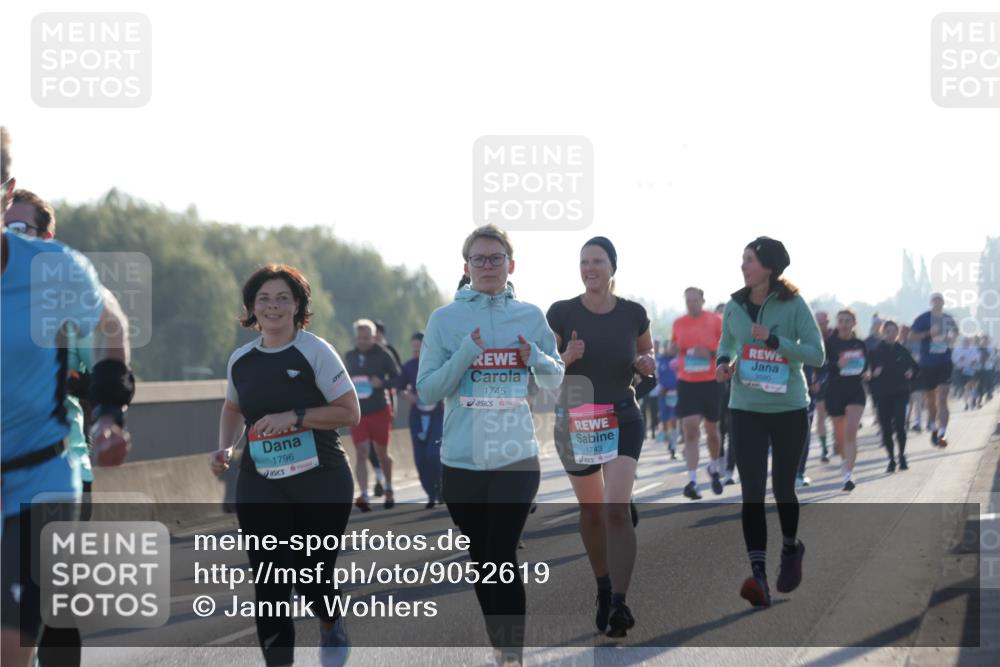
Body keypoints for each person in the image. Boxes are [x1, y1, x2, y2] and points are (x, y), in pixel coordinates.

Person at [2, 127, 135, 667]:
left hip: (39, 478)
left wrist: (107, 412)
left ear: (6, 190)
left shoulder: (52, 269)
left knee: (10, 649)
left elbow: (110, 323)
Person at [417, 224, 564, 666]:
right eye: (478, 259)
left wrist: (534, 359)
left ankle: (512, 656)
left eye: (495, 258)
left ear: (510, 265)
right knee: (482, 559)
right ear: (466, 268)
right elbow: (427, 391)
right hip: (461, 461)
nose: (487, 266)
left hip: (515, 455)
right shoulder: (444, 320)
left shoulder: (531, 317)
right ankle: (501, 644)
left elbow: (557, 383)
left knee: (501, 553)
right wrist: (464, 354)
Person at [210, 264, 360, 667]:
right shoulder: (240, 360)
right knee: (270, 582)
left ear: (298, 306)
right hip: (262, 481)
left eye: (283, 298)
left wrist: (294, 416)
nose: (273, 306)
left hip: (322, 479)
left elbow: (350, 412)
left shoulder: (315, 351)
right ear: (251, 308)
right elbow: (231, 406)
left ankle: (330, 622)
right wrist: (223, 448)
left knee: (312, 576)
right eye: (264, 299)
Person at [4, 189, 100, 666]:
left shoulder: (64, 295)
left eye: (23, 229)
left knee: (53, 607)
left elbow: (98, 373)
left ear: (46, 236)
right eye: (9, 225)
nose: (12, 235)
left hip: (61, 465)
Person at [547, 236, 654, 638]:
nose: (589, 267)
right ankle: (604, 585)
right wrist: (565, 359)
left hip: (623, 417)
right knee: (592, 513)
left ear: (613, 267)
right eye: (584, 261)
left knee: (616, 509)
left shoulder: (633, 313)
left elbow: (648, 359)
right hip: (577, 424)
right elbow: (542, 374)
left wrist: (647, 364)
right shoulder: (560, 313)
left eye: (597, 261)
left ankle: (621, 603)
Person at [715, 236, 824, 608]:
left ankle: (791, 548)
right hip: (745, 407)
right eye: (742, 259)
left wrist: (776, 341)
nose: (742, 266)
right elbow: (727, 344)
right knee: (751, 492)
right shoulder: (734, 306)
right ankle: (758, 574)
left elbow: (817, 354)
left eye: (748, 260)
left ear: (768, 266)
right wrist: (722, 365)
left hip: (788, 408)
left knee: (782, 490)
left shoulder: (793, 304)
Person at [669, 287, 724, 499]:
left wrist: (710, 353)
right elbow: (675, 346)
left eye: (695, 300)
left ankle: (714, 466)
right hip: (687, 382)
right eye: (688, 301)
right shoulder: (678, 323)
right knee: (690, 431)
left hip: (710, 382)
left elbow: (729, 347)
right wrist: (673, 349)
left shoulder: (716, 320)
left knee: (712, 432)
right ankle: (692, 481)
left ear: (703, 300)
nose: (691, 304)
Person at [345, 318, 401, 510]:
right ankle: (364, 494)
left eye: (367, 338)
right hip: (358, 413)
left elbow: (397, 378)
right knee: (361, 452)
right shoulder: (350, 356)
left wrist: (382, 384)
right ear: (356, 338)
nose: (363, 341)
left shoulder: (383, 354)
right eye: (360, 338)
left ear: (373, 337)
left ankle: (389, 487)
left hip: (379, 410)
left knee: (382, 453)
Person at [824, 310, 870, 491]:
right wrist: (836, 364)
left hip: (855, 391)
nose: (843, 324)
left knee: (851, 431)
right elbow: (821, 365)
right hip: (835, 391)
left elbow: (866, 364)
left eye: (847, 321)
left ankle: (848, 476)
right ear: (837, 323)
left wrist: (867, 372)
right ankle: (845, 464)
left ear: (854, 323)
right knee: (840, 436)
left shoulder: (859, 344)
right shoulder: (829, 343)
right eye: (841, 321)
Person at [398, 332, 444, 508]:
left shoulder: (437, 364)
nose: (416, 351)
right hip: (417, 415)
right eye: (414, 348)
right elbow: (400, 388)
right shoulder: (408, 366)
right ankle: (431, 494)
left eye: (420, 347)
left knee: (433, 454)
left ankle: (441, 488)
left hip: (437, 414)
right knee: (420, 459)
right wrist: (406, 395)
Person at [910, 293, 958, 447]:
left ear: (943, 303)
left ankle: (942, 433)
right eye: (935, 300)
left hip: (944, 362)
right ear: (931, 302)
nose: (938, 303)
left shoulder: (948, 319)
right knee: (931, 401)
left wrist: (951, 339)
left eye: (940, 300)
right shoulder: (923, 318)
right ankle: (934, 428)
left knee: (942, 398)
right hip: (927, 363)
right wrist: (928, 334)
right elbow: (911, 336)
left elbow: (955, 334)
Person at [869, 320, 918, 472]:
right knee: (886, 428)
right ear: (883, 333)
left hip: (900, 392)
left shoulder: (903, 351)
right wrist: (873, 374)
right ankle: (891, 459)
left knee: (900, 425)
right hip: (882, 394)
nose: (891, 334)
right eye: (888, 331)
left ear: (897, 333)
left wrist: (911, 373)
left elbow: (915, 368)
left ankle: (902, 456)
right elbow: (867, 373)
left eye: (894, 331)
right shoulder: (875, 352)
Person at [812, 311, 833, 462]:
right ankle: (824, 447)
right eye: (818, 323)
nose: (821, 326)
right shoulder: (811, 337)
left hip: (834, 377)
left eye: (824, 323)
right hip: (819, 378)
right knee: (821, 413)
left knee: (837, 414)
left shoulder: (834, 337)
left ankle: (839, 440)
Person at [655, 340, 680, 459]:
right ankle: (669, 441)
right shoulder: (660, 360)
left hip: (675, 394)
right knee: (665, 421)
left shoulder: (678, 360)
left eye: (675, 347)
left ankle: (673, 446)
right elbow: (655, 376)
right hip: (663, 395)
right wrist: (660, 388)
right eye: (671, 347)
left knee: (674, 419)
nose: (673, 349)